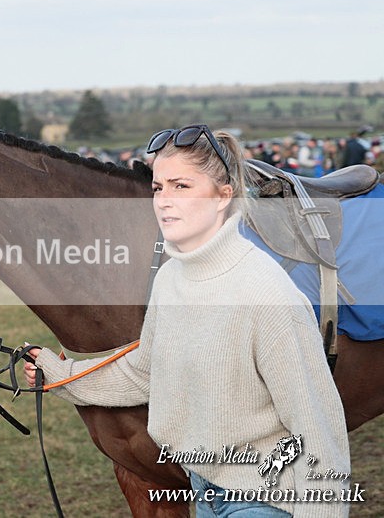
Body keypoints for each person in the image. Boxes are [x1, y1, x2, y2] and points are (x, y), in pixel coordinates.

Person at [24, 125, 350, 517]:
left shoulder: (267, 296)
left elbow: (319, 432)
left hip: (263, 500)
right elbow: (144, 373)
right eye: (158, 187)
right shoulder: (171, 278)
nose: (164, 201)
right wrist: (61, 375)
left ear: (222, 196)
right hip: (202, 490)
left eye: (181, 186)